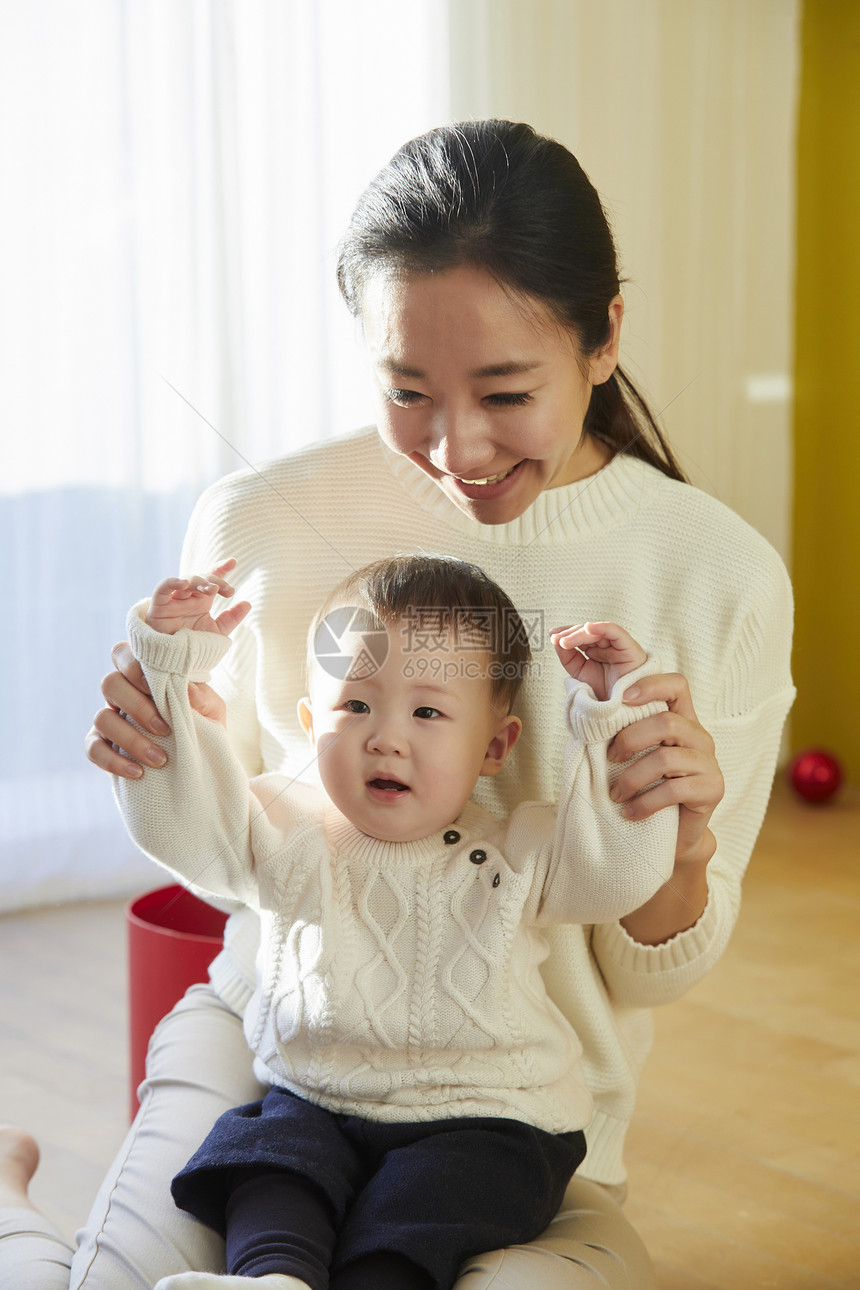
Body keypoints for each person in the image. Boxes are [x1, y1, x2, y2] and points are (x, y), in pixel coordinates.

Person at [0, 119, 794, 1290]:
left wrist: (672, 847)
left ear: (603, 337)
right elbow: (243, 863)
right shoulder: (256, 520)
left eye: (504, 391)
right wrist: (163, 755)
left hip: (519, 1111)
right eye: (406, 389)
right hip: (274, 1057)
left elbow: (649, 977)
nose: (454, 446)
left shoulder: (713, 575)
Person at [114, 553, 677, 1290]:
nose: (385, 737)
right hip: (316, 1097)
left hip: (490, 1120)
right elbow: (185, 825)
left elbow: (620, 872)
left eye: (427, 712)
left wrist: (616, 714)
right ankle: (273, 1278)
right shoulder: (283, 827)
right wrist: (168, 669)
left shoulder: (518, 851)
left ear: (494, 748)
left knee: (426, 1201)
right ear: (311, 723)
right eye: (355, 706)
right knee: (262, 1163)